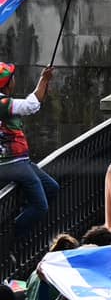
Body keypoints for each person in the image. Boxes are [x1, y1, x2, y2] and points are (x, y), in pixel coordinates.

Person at [0, 61, 59, 240]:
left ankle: (20, 219)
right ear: (8, 82)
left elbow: (32, 102)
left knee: (52, 187)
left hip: (19, 161)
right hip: (11, 162)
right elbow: (30, 105)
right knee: (40, 206)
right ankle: (9, 240)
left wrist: (43, 81)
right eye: (13, 77)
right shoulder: (3, 103)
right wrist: (43, 80)